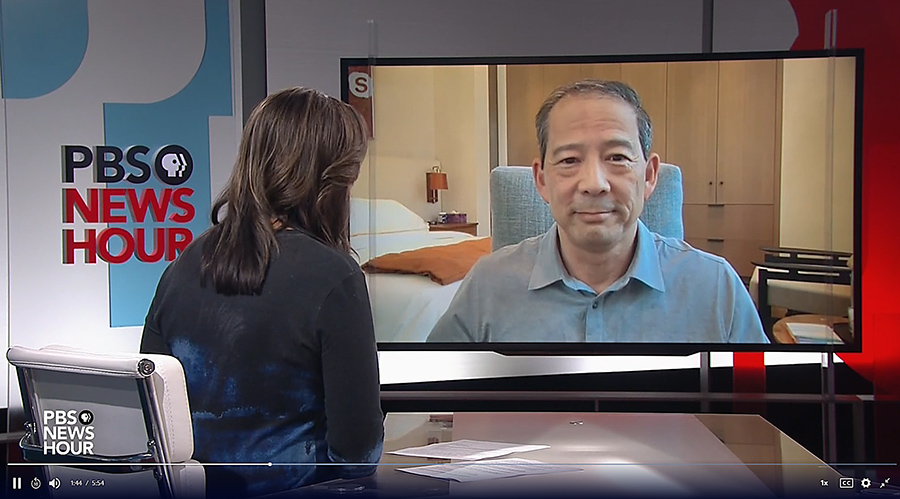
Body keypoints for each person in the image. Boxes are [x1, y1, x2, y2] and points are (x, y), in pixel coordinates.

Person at [141, 87, 384, 496]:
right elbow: (357, 454)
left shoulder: (183, 265)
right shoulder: (334, 276)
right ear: (333, 180)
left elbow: (152, 415)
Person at [427, 80, 767, 343]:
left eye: (617, 157)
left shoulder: (716, 288)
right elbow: (435, 408)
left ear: (649, 176)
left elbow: (762, 416)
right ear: (542, 180)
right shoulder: (488, 285)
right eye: (569, 160)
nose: (594, 183)